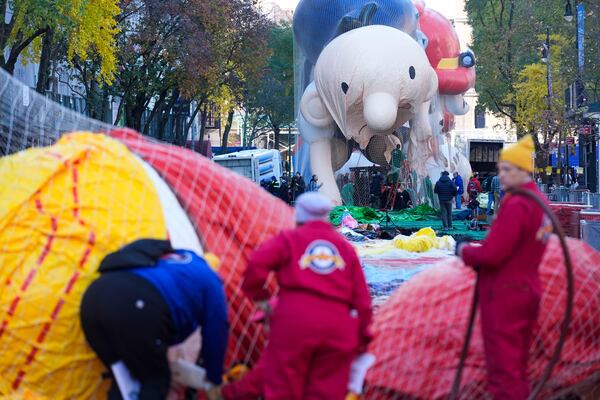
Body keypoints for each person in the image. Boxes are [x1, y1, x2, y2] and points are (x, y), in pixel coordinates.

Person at [242, 192, 373, 400]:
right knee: (327, 391)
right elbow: (363, 301)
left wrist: (261, 297)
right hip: (338, 326)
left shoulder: (288, 239)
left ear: (298, 215)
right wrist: (364, 337)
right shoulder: (345, 248)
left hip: (294, 322)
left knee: (283, 388)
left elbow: (256, 264)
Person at [456, 135, 551, 400]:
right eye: (501, 169)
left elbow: (493, 253)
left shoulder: (518, 204)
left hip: (506, 294)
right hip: (526, 289)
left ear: (523, 171)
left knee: (503, 369)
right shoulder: (539, 203)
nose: (502, 175)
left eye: (508, 170)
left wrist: (464, 251)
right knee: (517, 365)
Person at [80, 239, 229, 400]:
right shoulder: (212, 282)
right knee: (155, 381)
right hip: (135, 303)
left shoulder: (179, 256)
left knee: (124, 379)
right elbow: (217, 329)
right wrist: (214, 379)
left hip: (93, 297)